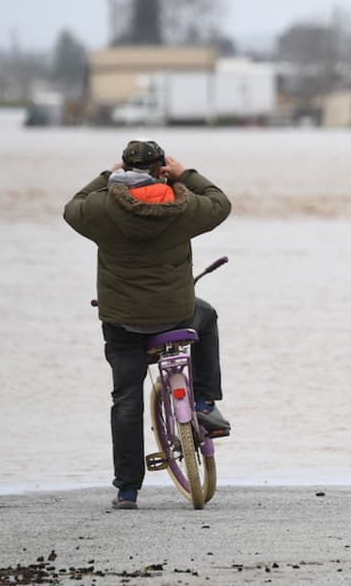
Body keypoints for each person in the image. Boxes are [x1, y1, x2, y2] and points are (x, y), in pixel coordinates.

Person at [64, 140, 233, 510]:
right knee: (207, 317)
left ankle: (127, 490)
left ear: (124, 169)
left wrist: (105, 177)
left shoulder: (101, 208)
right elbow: (220, 203)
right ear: (161, 170)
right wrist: (185, 173)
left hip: (123, 322)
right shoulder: (182, 204)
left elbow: (71, 208)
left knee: (126, 400)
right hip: (174, 314)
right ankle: (204, 400)